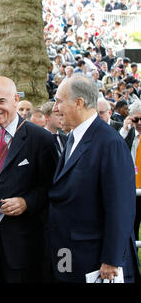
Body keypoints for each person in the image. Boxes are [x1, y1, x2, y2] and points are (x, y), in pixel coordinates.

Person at [0, 76, 58, 283]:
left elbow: (52, 187)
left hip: (26, 248)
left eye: (1, 101)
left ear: (15, 99)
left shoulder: (41, 139)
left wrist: (26, 202)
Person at [48, 75, 139, 283]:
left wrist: (112, 259)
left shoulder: (109, 142)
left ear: (78, 103)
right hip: (70, 251)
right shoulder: (73, 137)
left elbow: (121, 205)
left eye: (59, 101)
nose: (55, 108)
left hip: (97, 260)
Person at [119, 100, 141, 253]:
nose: (139, 123)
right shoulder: (128, 133)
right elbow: (117, 151)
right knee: (131, 228)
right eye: (136, 119)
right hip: (131, 189)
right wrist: (125, 130)